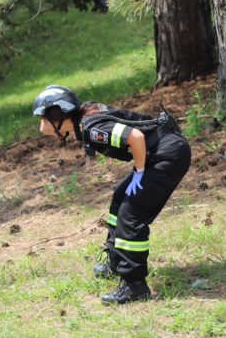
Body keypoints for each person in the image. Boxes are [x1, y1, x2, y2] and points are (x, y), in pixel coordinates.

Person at [32, 85, 191, 304]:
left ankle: (135, 285)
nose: (40, 122)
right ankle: (115, 262)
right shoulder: (85, 115)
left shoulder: (91, 127)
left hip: (167, 154)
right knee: (120, 197)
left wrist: (140, 172)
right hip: (162, 149)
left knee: (130, 215)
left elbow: (135, 137)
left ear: (57, 114)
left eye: (42, 116)